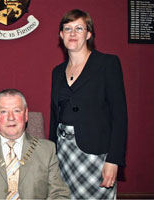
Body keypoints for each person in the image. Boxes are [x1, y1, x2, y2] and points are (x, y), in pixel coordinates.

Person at [49, 9, 128, 199]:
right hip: (64, 154)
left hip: (96, 154)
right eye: (67, 29)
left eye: (79, 28)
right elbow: (54, 117)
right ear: (61, 35)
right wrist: (51, 157)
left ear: (89, 34)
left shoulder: (107, 64)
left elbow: (120, 116)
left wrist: (113, 160)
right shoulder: (57, 71)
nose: (73, 33)